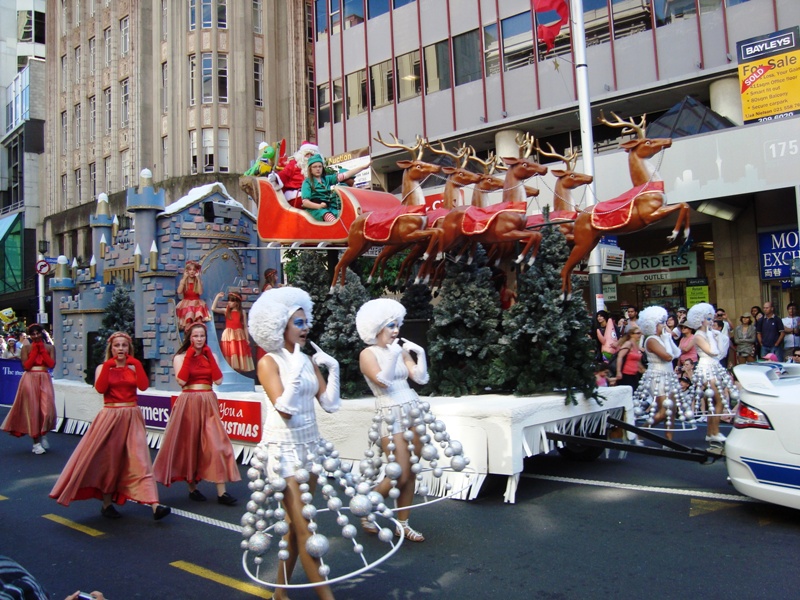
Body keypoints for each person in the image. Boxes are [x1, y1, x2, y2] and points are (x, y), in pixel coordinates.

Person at [245, 287, 344, 599]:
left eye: (305, 321)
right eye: (298, 323)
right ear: (280, 327)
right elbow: (284, 411)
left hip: (310, 446)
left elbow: (329, 404)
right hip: (284, 449)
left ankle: (279, 592)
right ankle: (327, 597)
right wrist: (298, 375)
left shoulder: (307, 360)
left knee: (294, 524)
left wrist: (334, 369)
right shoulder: (269, 363)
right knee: (306, 528)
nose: (305, 328)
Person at [355, 298, 468, 543]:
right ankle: (367, 505)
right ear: (377, 328)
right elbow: (382, 381)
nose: (396, 331)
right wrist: (396, 355)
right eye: (390, 326)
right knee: (399, 472)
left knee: (412, 470)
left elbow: (420, 378)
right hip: (389, 412)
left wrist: (420, 355)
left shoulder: (399, 349)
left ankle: (402, 523)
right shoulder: (368, 354)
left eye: (397, 325)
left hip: (412, 408)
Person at [50, 331, 171, 520]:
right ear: (111, 348)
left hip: (132, 415)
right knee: (110, 461)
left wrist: (137, 364)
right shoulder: (103, 367)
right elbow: (100, 388)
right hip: (111, 416)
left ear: (128, 348)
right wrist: (109, 365)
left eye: (124, 345)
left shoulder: (133, 367)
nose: (121, 349)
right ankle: (107, 504)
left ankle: (154, 505)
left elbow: (144, 385)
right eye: (117, 345)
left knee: (141, 459)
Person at [153, 323, 240, 505]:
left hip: (208, 401)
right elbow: (181, 380)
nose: (199, 339)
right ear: (189, 338)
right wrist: (191, 357)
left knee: (217, 444)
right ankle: (192, 487)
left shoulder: (212, 355)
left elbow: (219, 380)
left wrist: (209, 356)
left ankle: (221, 492)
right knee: (190, 444)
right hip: (189, 401)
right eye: (195, 336)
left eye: (202, 336)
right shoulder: (180, 357)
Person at [632, 307, 692, 439]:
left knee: (672, 410)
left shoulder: (663, 337)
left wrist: (668, 339)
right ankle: (640, 432)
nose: (664, 325)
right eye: (661, 323)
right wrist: (666, 339)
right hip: (657, 375)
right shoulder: (651, 340)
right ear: (653, 325)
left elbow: (676, 353)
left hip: (669, 374)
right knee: (665, 410)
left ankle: (669, 440)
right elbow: (668, 356)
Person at [1, 324, 56, 454]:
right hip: (30, 378)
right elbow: (26, 366)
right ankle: (36, 443)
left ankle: (43, 432)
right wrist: (35, 351)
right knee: (33, 410)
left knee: (47, 409)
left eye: (38, 333)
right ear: (30, 335)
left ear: (42, 333)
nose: (35, 336)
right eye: (33, 334)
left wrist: (42, 350)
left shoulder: (50, 347)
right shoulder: (26, 348)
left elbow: (51, 364)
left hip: (44, 378)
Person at [684, 303, 736, 444]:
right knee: (717, 398)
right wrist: (713, 336)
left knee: (716, 400)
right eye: (708, 318)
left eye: (711, 318)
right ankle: (714, 431)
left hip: (714, 366)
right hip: (706, 368)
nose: (711, 321)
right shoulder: (699, 336)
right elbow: (712, 351)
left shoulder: (710, 333)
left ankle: (712, 432)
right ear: (701, 320)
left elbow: (720, 352)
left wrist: (717, 336)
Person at [300, 154, 370, 222]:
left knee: (345, 217)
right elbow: (305, 202)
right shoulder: (307, 182)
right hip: (316, 210)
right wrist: (319, 206)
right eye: (314, 167)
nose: (318, 169)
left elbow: (345, 175)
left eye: (320, 166)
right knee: (332, 220)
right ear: (310, 169)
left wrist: (363, 167)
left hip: (328, 208)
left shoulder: (326, 179)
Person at [212, 292, 255, 372]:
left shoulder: (242, 313)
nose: (229, 302)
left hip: (239, 336)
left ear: (236, 303)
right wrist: (217, 297)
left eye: (231, 301)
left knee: (238, 355)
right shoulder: (226, 311)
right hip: (229, 335)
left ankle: (237, 374)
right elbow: (213, 308)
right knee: (230, 353)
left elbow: (245, 326)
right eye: (229, 300)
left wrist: (247, 338)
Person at [270, 141, 321, 207]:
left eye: (312, 155)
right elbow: (284, 174)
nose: (309, 157)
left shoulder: (318, 168)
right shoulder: (294, 164)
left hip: (313, 194)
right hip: (296, 194)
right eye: (307, 154)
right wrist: (276, 177)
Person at [176, 260, 211, 332]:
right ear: (186, 271)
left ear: (196, 272)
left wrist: (198, 279)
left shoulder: (198, 281)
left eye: (194, 270)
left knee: (199, 318)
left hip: (197, 303)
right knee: (189, 316)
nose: (192, 271)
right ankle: (188, 335)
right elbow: (179, 291)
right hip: (186, 303)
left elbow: (200, 292)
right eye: (189, 270)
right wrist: (184, 278)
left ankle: (199, 333)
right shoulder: (184, 281)